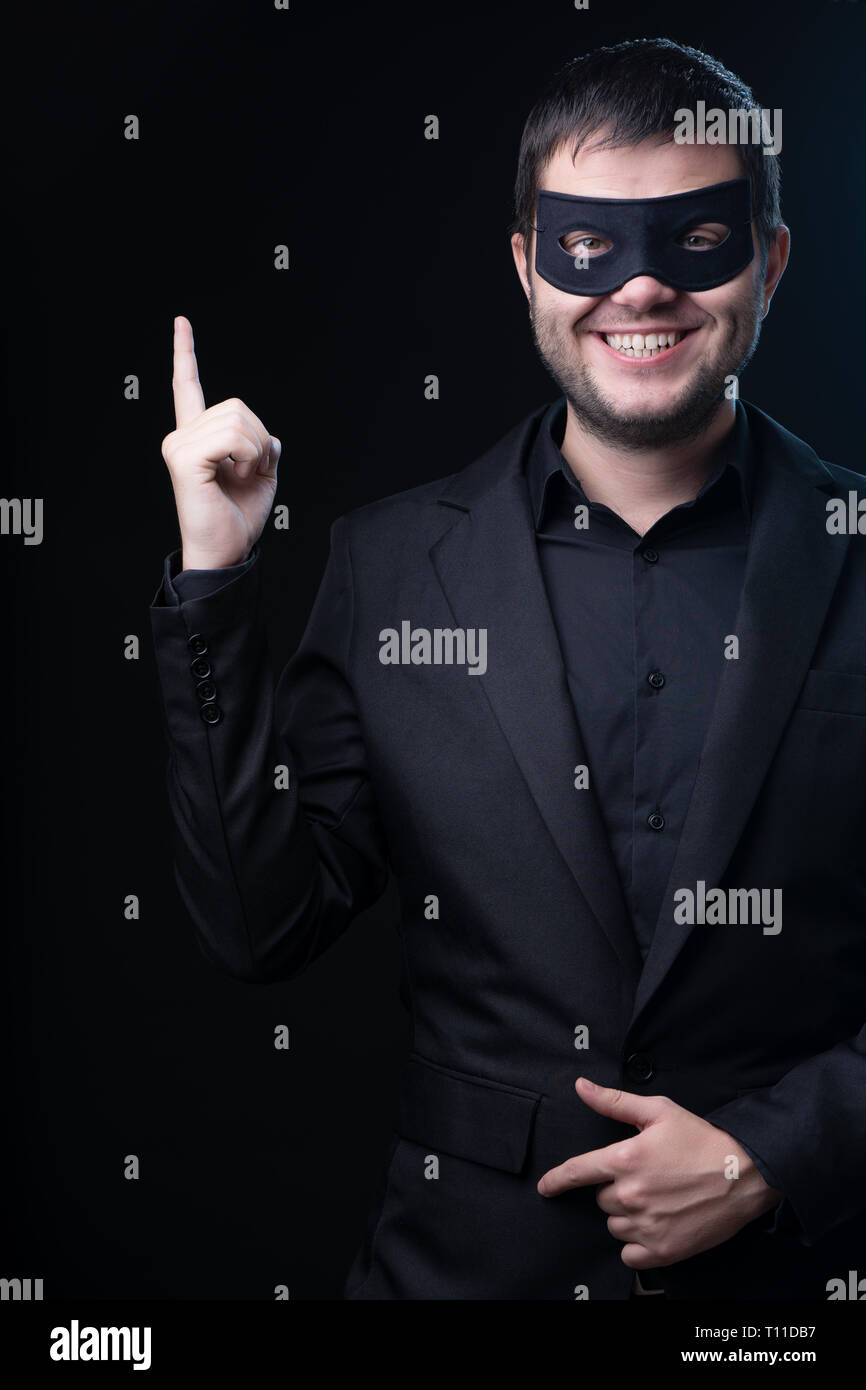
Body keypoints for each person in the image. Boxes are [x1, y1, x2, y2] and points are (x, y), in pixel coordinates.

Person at [149, 38, 866, 1300]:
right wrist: (215, 578)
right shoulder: (389, 571)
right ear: (529, 265)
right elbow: (262, 928)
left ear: (770, 256)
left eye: (693, 240)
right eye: (591, 245)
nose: (640, 290)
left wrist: (780, 1148)